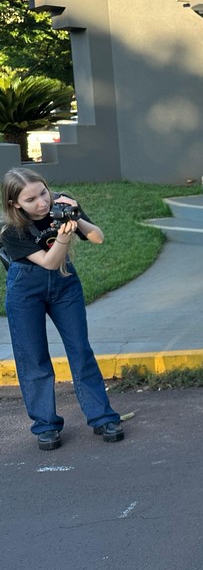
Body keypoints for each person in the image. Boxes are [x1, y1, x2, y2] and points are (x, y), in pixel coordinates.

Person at [1, 167, 123, 450]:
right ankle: (45, 425)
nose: (42, 203)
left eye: (43, 192)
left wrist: (76, 216)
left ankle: (102, 417)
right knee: (33, 357)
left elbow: (98, 237)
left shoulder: (61, 204)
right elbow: (48, 262)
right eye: (31, 200)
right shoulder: (10, 229)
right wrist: (64, 236)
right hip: (25, 289)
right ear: (15, 203)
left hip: (65, 284)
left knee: (80, 349)